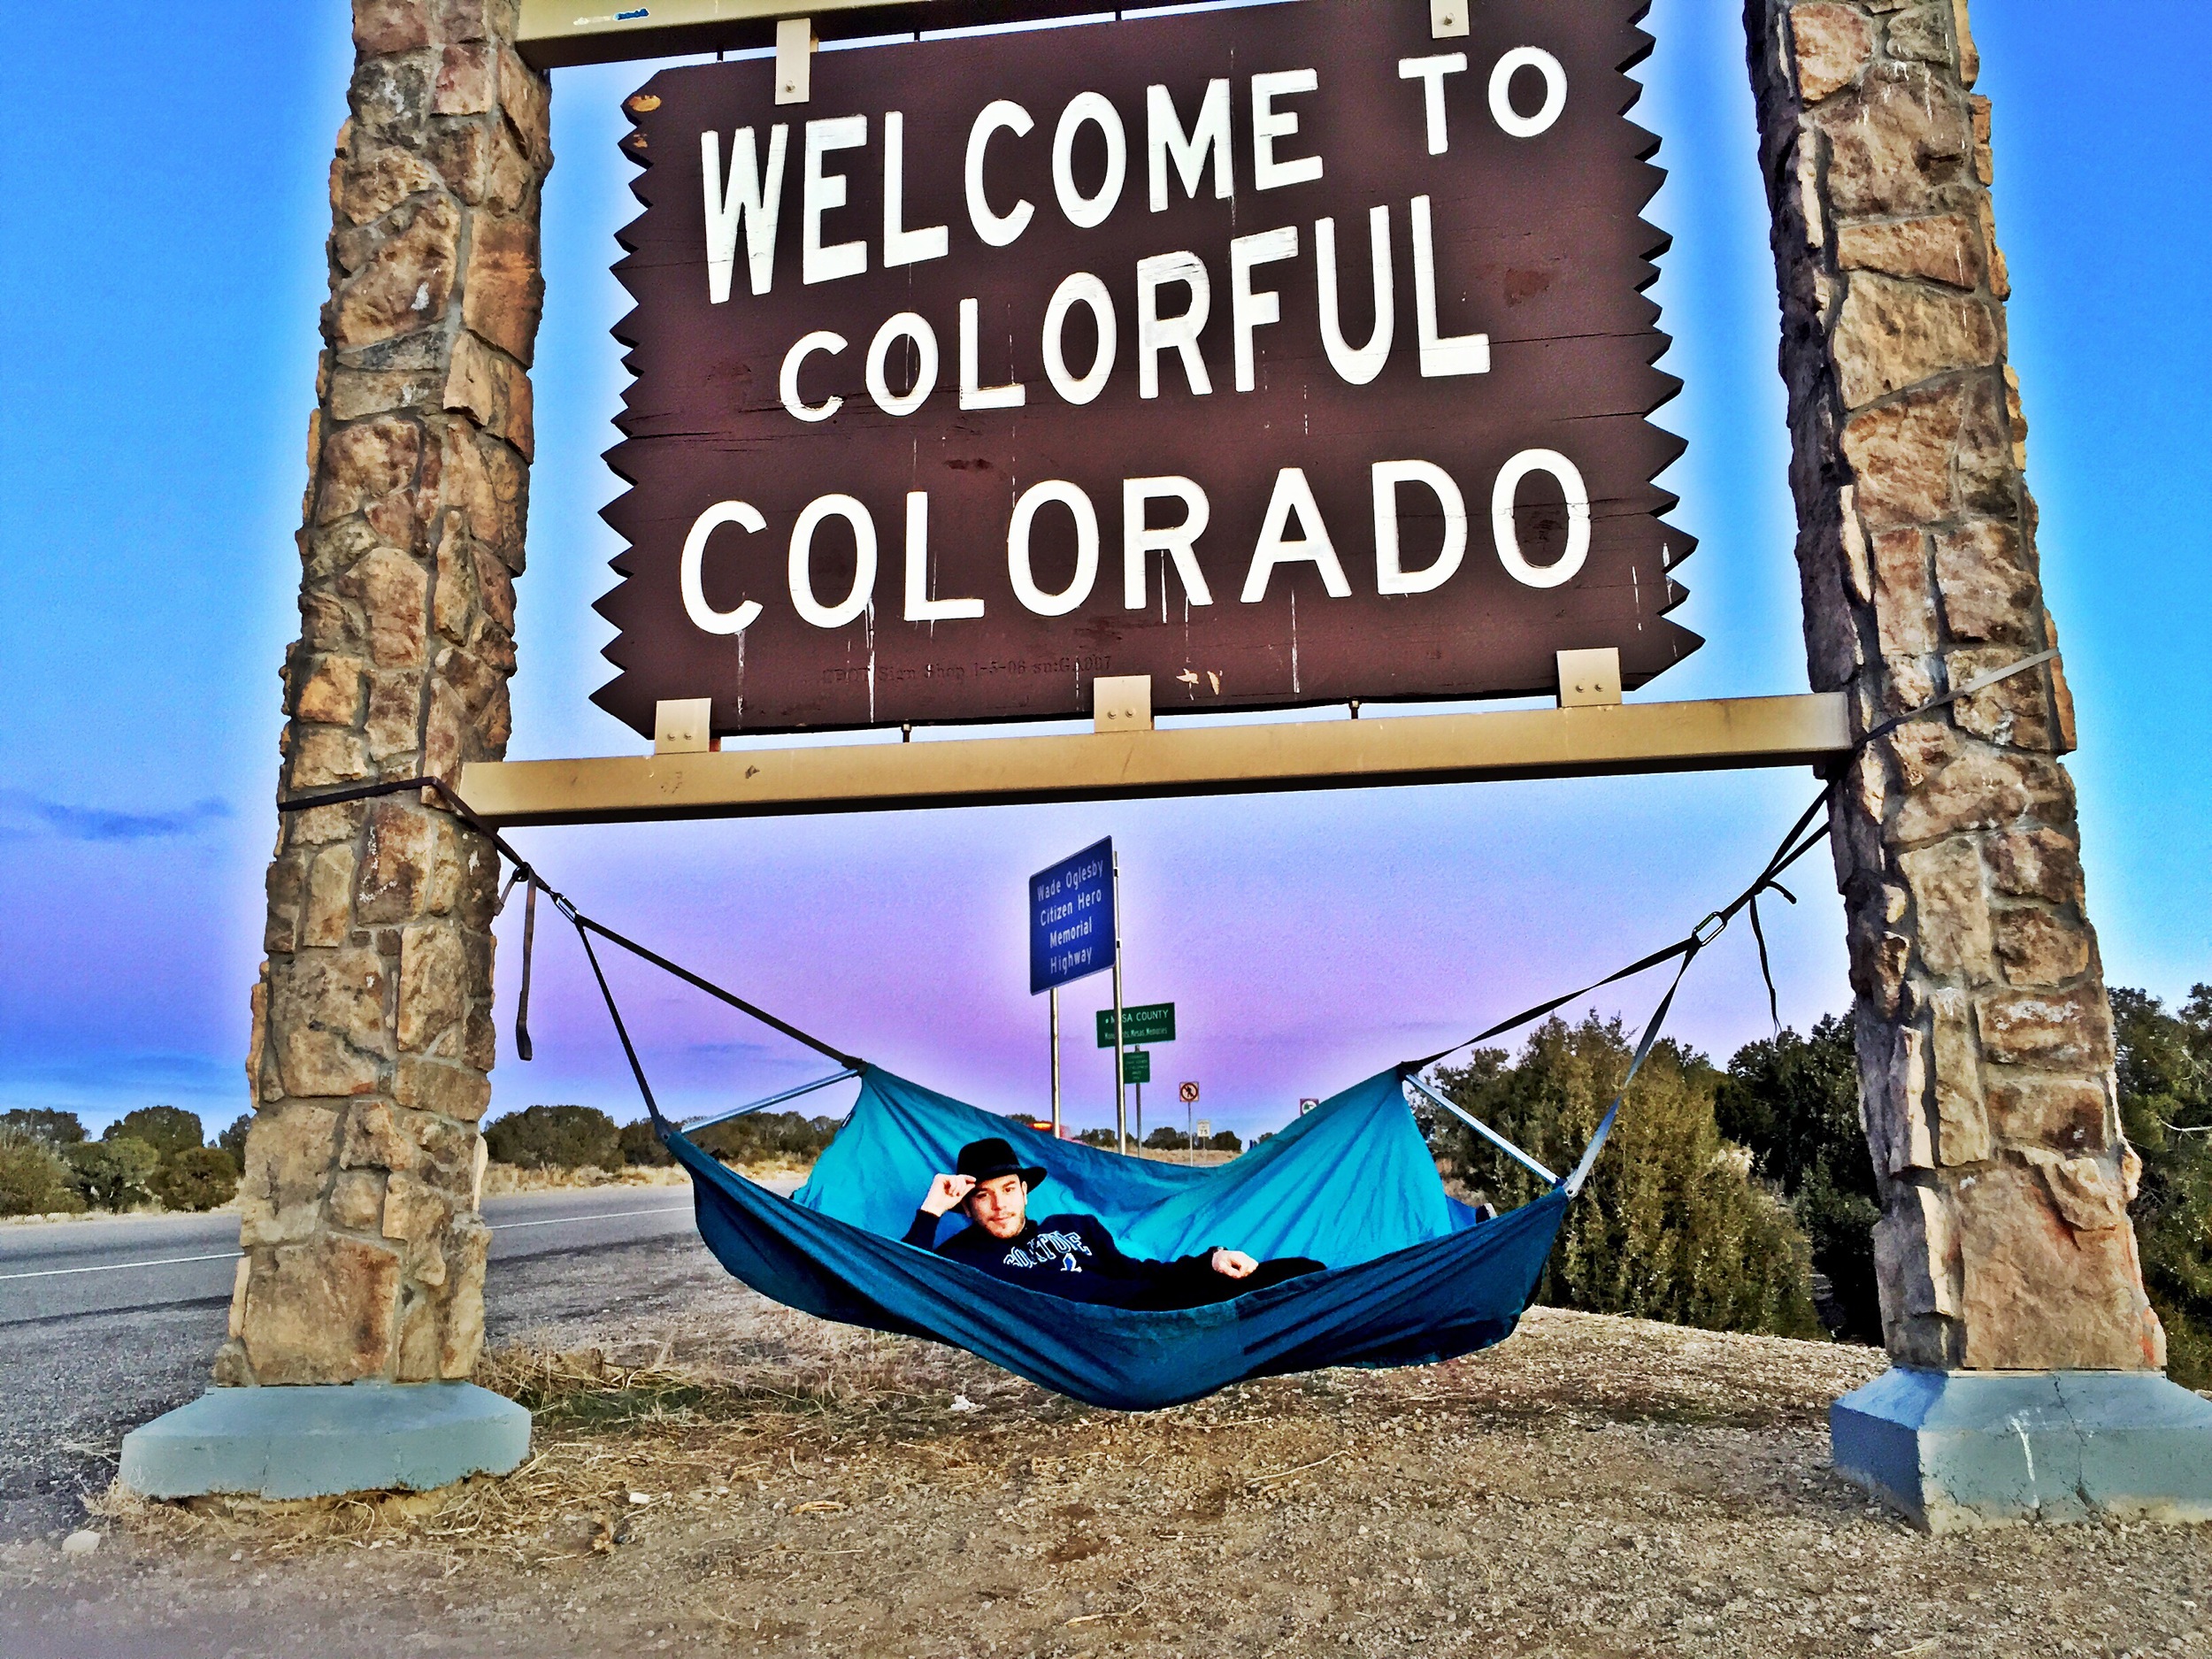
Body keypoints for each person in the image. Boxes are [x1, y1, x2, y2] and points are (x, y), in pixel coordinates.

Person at [900, 1136, 1322, 1309]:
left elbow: (1140, 1272)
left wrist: (1210, 1260)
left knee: (1302, 1271)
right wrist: (931, 1210)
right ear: (968, 1206)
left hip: (1157, 1299)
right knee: (1283, 1290)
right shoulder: (964, 1258)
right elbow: (904, 1282)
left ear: (1025, 1191)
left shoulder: (1076, 1226)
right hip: (1115, 1328)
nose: (999, 1205)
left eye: (1009, 1189)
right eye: (983, 1195)